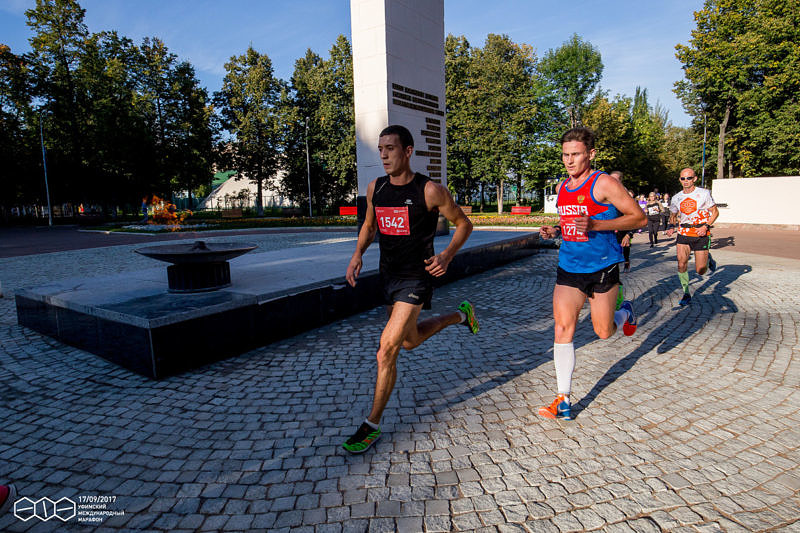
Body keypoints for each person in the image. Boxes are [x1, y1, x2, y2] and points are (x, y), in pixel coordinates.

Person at [342, 125, 478, 453]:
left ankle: (371, 425)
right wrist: (357, 253)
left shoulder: (430, 191)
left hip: (417, 278)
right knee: (409, 341)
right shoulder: (377, 188)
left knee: (386, 348)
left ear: (408, 151)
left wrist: (446, 255)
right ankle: (460, 316)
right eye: (381, 149)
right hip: (388, 275)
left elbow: (464, 223)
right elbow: (370, 225)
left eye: (390, 148)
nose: (384, 155)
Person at [539, 128, 646, 420]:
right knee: (562, 328)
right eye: (565, 154)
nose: (569, 160)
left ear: (591, 154)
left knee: (603, 331)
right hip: (569, 266)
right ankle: (563, 399)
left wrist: (597, 225)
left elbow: (639, 217)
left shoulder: (604, 184)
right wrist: (557, 231)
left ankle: (625, 314)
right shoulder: (563, 187)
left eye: (575, 154)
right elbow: (572, 224)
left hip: (603, 266)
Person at [665, 168, 719, 306]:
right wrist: (671, 226)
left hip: (701, 232)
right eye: (683, 178)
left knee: (700, 270)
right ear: (680, 180)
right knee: (681, 263)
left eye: (689, 178)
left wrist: (706, 226)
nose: (686, 181)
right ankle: (686, 293)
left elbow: (715, 213)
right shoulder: (676, 197)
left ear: (694, 179)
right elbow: (673, 215)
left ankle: (708, 260)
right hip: (683, 233)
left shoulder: (704, 193)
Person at [608, 171, 633, 275]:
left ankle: (626, 261)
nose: (612, 182)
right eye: (610, 179)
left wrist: (629, 234)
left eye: (615, 179)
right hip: (609, 231)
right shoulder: (603, 193)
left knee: (625, 249)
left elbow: (636, 218)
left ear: (620, 181)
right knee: (612, 260)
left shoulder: (625, 195)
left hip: (623, 229)